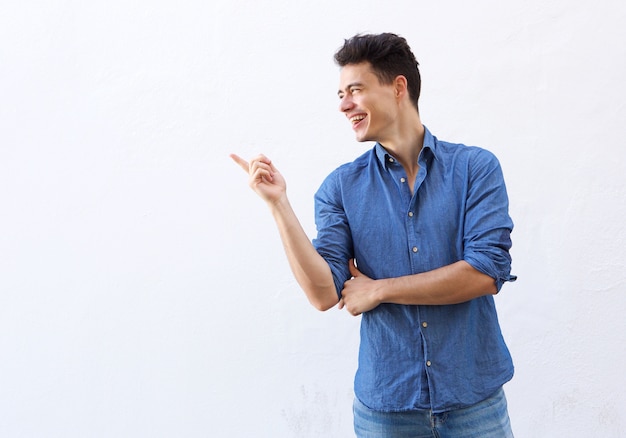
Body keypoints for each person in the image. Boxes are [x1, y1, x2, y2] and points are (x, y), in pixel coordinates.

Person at [231, 32, 516, 437]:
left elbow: (485, 273)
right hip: (387, 410)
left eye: (355, 90)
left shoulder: (475, 169)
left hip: (474, 402)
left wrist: (379, 289)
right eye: (340, 94)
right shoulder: (340, 188)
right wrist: (279, 205)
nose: (344, 104)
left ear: (398, 87)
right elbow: (324, 293)